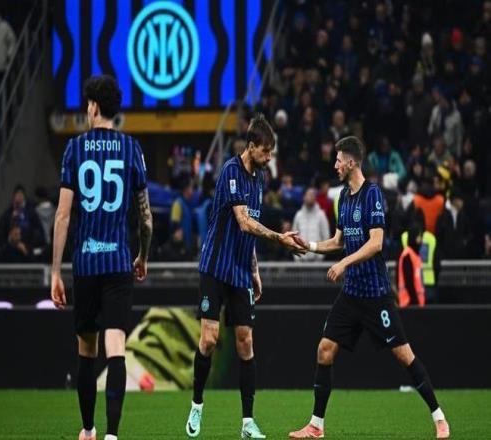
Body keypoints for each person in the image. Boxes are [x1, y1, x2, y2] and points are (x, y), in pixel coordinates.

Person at [288, 136, 450, 439]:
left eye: (338, 160)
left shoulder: (372, 194)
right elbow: (338, 241)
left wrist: (344, 263)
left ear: (351, 162)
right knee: (324, 350)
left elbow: (376, 243)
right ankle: (316, 425)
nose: (335, 165)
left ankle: (439, 418)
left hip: (376, 295)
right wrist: (308, 245)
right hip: (351, 295)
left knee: (404, 356)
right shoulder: (343, 197)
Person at [185, 114, 306, 439]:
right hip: (215, 267)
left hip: (240, 270)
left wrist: (254, 270)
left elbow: (249, 231)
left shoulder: (260, 178)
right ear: (251, 146)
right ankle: (197, 404)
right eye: (266, 151)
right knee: (209, 340)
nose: (269, 157)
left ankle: (247, 423)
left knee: (246, 342)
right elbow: (243, 221)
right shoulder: (231, 171)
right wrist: (279, 238)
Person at [50, 75, 152, 440]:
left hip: (86, 264)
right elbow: (145, 217)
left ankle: (88, 429)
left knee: (86, 350)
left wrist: (55, 272)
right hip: (119, 263)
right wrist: (143, 255)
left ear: (93, 106)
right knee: (116, 347)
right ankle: (111, 434)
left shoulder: (74, 149)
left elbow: (63, 216)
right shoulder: (131, 147)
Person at [292, 188, 330, 261]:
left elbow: (326, 237)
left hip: (317, 261)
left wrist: (321, 256)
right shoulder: (298, 215)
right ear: (304, 197)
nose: (311, 197)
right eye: (309, 194)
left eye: (313, 195)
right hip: (301, 260)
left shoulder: (321, 215)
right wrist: (297, 257)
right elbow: (293, 238)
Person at [398, 224, 426, 307]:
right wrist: (415, 301)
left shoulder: (415, 255)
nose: (421, 239)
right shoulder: (407, 255)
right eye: (419, 236)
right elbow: (408, 281)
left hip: (416, 302)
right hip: (409, 302)